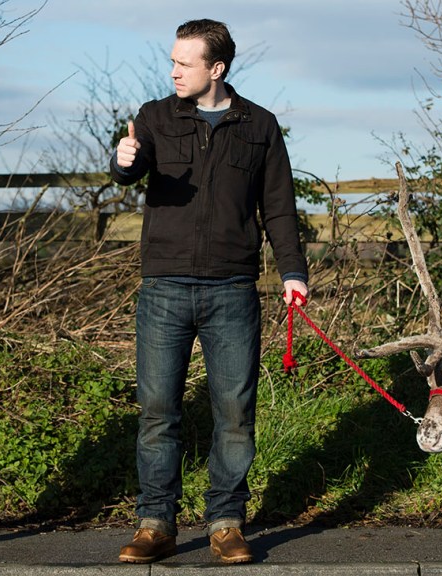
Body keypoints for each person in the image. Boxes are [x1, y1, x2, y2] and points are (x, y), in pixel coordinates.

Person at [111, 19, 309, 565]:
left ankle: (226, 523)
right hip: (164, 287)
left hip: (233, 289)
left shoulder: (260, 126)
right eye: (172, 61)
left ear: (216, 68)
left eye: (185, 63)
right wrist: (124, 162)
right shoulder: (155, 117)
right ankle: (155, 524)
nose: (174, 71)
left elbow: (279, 207)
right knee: (157, 410)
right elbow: (131, 167)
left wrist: (292, 271)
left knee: (235, 410)